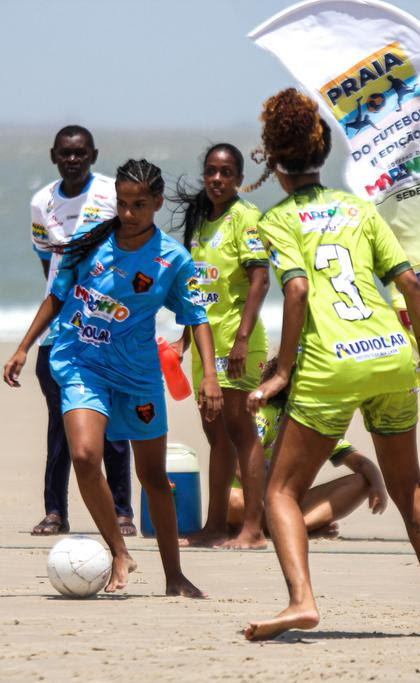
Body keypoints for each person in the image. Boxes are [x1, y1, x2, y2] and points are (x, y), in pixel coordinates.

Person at [242, 88, 420, 640]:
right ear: (322, 153)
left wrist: (284, 371)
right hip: (391, 357)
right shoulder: (359, 210)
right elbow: (410, 284)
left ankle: (301, 602)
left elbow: (295, 292)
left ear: (274, 160)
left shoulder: (278, 220)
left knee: (280, 493)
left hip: (331, 367)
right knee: (409, 482)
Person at [4, 159, 222, 596]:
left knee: (155, 478)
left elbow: (197, 317)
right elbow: (56, 297)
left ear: (157, 203)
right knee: (85, 456)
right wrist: (24, 346)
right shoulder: (88, 245)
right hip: (81, 361)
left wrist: (209, 376)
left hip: (138, 374)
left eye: (139, 205)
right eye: (122, 204)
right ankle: (119, 551)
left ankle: (174, 575)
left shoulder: (172, 259)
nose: (128, 213)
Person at [28, 125, 134, 537]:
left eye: (81, 153)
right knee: (60, 422)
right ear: (54, 155)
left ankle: (122, 511)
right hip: (60, 330)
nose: (73, 159)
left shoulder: (111, 193)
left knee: (112, 422)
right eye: (66, 153)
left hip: (108, 323)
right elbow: (46, 263)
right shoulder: (42, 202)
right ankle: (56, 511)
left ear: (93, 155)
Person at [171, 143, 270, 549]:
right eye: (211, 171)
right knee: (216, 439)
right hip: (204, 347)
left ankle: (253, 528)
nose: (217, 179)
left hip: (238, 345)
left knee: (242, 431)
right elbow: (195, 287)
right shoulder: (199, 220)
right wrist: (182, 337)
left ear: (239, 179)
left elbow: (260, 281)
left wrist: (243, 340)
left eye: (226, 173)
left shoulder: (245, 218)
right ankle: (214, 525)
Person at [226, 359, 388, 538]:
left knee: (362, 481)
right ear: (286, 385)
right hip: (254, 501)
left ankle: (292, 527)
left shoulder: (319, 423)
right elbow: (237, 462)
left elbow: (361, 463)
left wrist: (378, 487)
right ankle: (294, 529)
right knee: (233, 500)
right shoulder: (267, 413)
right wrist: (267, 498)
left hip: (290, 502)